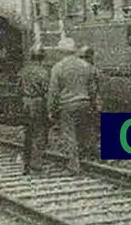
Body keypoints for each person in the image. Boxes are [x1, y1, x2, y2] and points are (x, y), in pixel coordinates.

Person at [47, 44, 101, 174]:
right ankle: (90, 162)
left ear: (61, 52)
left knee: (70, 135)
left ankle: (73, 166)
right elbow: (93, 89)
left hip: (67, 105)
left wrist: (51, 109)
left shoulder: (58, 67)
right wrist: (93, 104)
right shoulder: (85, 66)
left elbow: (54, 92)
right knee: (84, 132)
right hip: (84, 103)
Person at [18, 45, 50, 175]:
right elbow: (47, 91)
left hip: (25, 102)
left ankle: (25, 164)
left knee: (28, 134)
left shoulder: (24, 70)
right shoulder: (43, 72)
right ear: (42, 58)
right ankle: (36, 165)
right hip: (38, 103)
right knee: (40, 134)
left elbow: (18, 88)